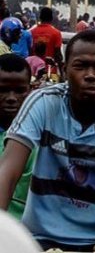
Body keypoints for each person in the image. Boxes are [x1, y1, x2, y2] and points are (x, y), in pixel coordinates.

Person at [0, 30, 95, 252]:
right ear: (64, 70)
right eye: (80, 66)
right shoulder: (43, 103)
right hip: (41, 239)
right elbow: (7, 172)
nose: (91, 75)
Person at [0, 54, 36, 220]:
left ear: (30, 90)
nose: (12, 98)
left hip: (29, 233)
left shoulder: (39, 139)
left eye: (20, 91)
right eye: (3, 90)